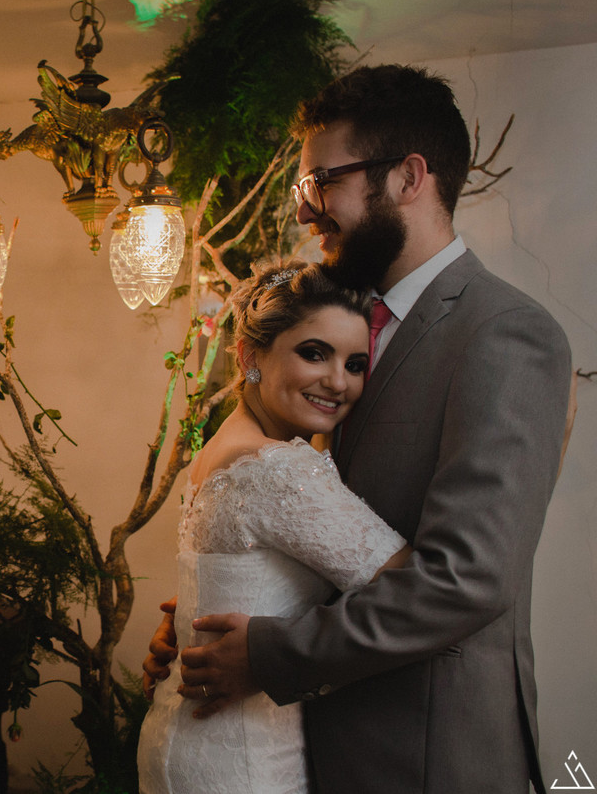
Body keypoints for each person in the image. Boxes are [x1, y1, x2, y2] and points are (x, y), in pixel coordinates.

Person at [142, 64, 572, 793]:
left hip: (428, 751)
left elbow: (467, 579)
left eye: (321, 183)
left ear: (408, 177)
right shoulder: (339, 329)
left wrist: (269, 653)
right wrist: (213, 620)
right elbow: (305, 520)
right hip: (310, 744)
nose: (306, 212)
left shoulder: (506, 334)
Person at [137, 259, 410, 793]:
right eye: (314, 353)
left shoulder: (225, 446)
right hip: (244, 762)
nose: (338, 382)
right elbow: (412, 589)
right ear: (250, 355)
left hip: (186, 742)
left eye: (355, 363)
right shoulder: (279, 469)